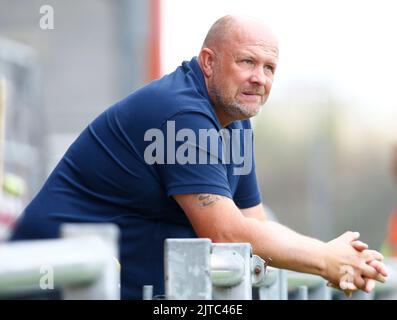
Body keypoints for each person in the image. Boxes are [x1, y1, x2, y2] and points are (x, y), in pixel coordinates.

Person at [10, 15, 387, 299]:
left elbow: (253, 223)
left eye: (269, 68)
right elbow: (225, 233)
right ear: (208, 62)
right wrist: (325, 261)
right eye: (247, 62)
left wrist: (333, 255)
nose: (260, 78)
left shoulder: (234, 121)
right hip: (46, 284)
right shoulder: (182, 113)